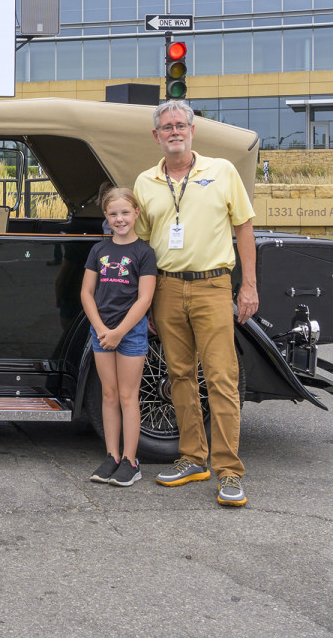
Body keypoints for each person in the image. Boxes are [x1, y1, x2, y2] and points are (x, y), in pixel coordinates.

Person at [133, 99, 257, 508]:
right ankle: (192, 458)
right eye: (166, 126)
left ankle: (229, 471)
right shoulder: (145, 182)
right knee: (179, 376)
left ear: (192, 130)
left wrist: (248, 286)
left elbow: (243, 229)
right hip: (167, 288)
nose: (174, 131)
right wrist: (147, 300)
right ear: (156, 135)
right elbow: (145, 246)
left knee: (221, 378)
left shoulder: (221, 171)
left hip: (212, 285)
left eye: (180, 125)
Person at [81, 187, 157, 488]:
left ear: (136, 213)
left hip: (130, 333)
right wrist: (101, 328)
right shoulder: (99, 251)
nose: (119, 219)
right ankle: (111, 455)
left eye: (125, 212)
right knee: (109, 394)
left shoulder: (144, 253)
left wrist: (119, 332)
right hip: (101, 331)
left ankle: (130, 459)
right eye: (113, 214)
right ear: (106, 217)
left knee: (128, 396)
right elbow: (87, 293)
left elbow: (144, 299)